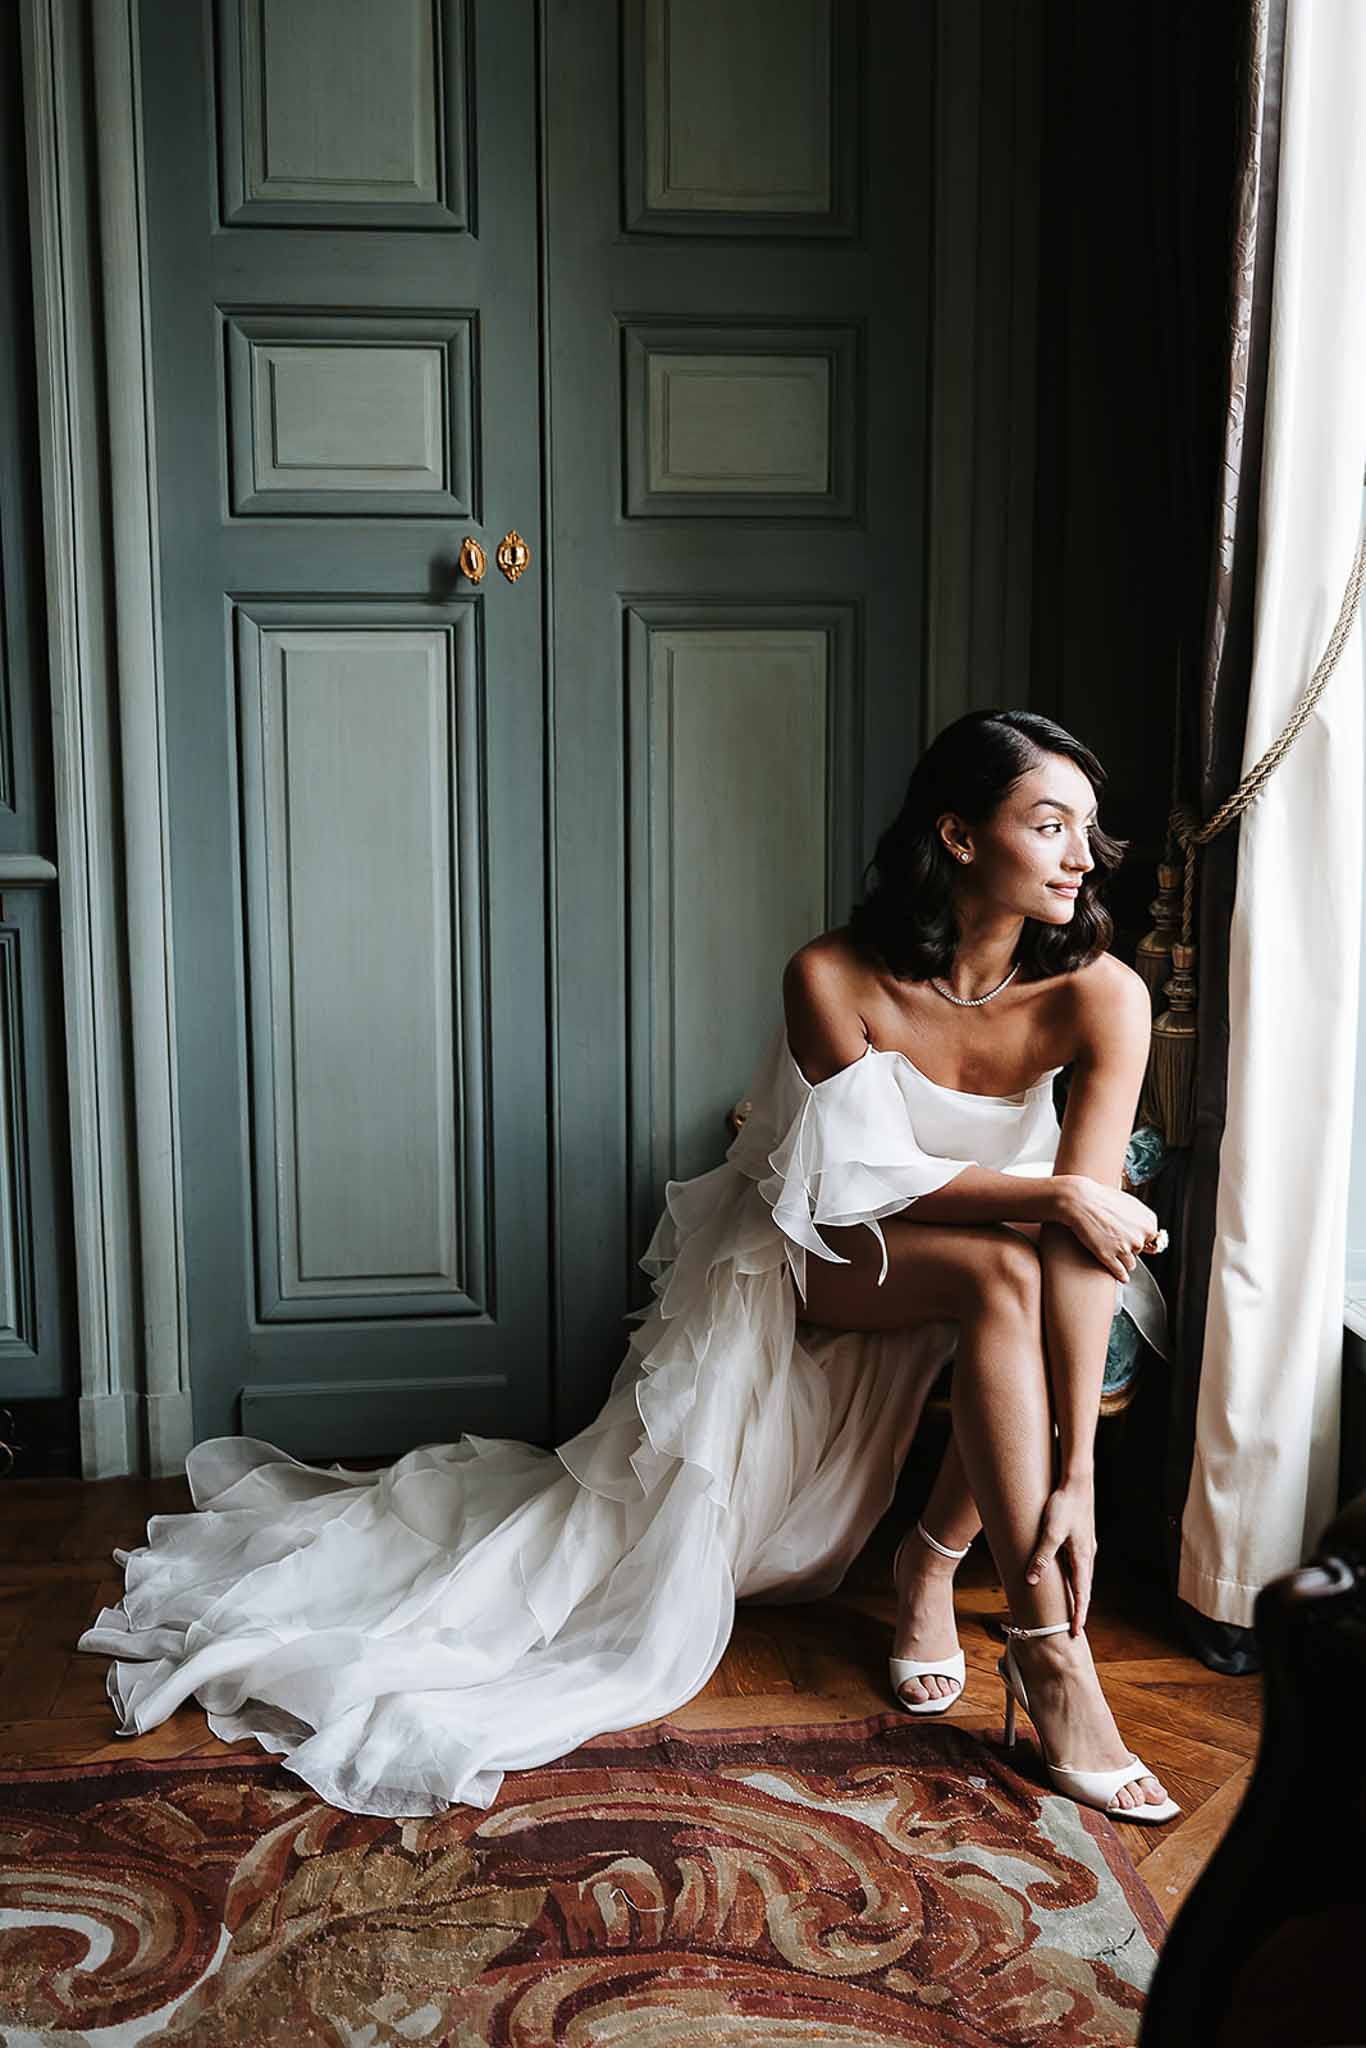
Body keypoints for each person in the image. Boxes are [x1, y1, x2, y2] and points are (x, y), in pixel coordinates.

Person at [78, 708, 1178, 1824]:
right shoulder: (831, 975)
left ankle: (940, 1575)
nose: (1082, 858)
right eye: (1049, 825)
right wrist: (1050, 1194)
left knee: (1016, 1275)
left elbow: (1084, 1237)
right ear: (957, 834)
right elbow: (858, 1188)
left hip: (1007, 1255)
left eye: (1087, 829)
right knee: (1004, 1271)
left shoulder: (1104, 994)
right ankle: (1052, 1657)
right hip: (825, 1246)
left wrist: (1079, 1474)